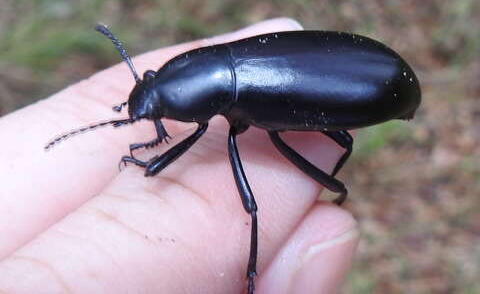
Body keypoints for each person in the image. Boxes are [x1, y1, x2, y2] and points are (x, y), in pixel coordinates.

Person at [0, 18, 358, 293]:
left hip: (362, 81)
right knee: (335, 151)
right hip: (343, 61)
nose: (155, 108)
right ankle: (336, 195)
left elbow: (156, 171)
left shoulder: (226, 106)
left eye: (160, 111)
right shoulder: (223, 64)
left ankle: (251, 271)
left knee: (254, 203)